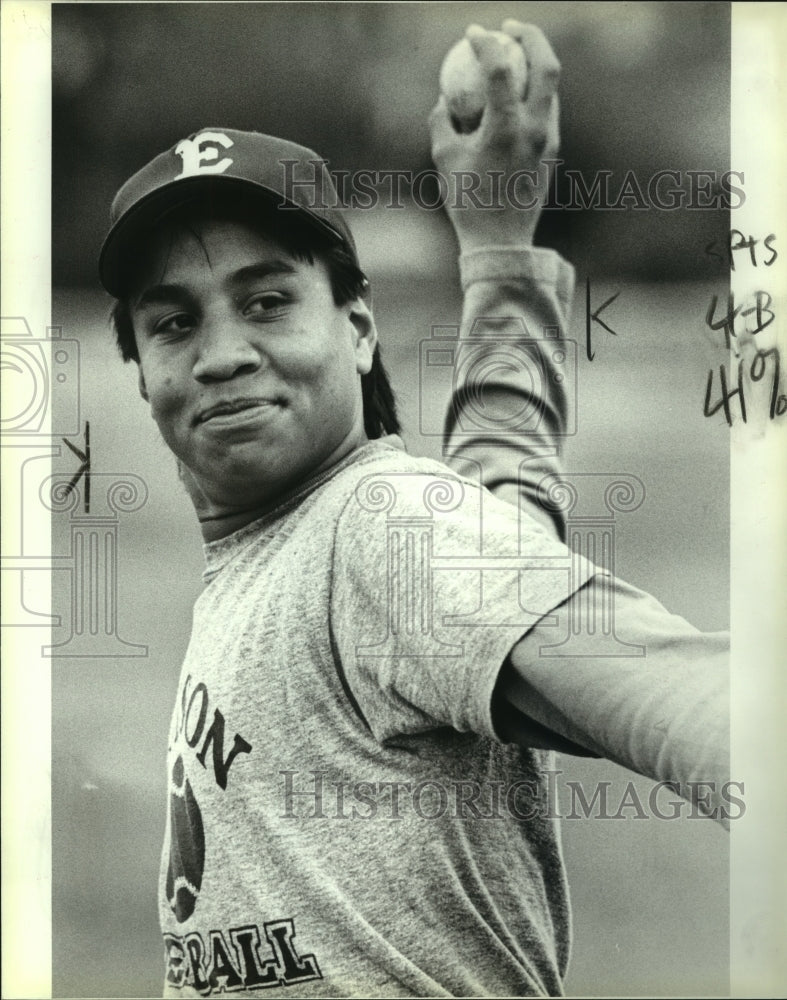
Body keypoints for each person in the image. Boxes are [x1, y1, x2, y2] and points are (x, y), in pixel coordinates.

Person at [99, 22, 728, 998]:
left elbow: (678, 693)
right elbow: (502, 515)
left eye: (266, 301)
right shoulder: (318, 540)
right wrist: (498, 241)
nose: (220, 353)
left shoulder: (380, 525)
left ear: (356, 328)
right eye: (175, 321)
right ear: (141, 371)